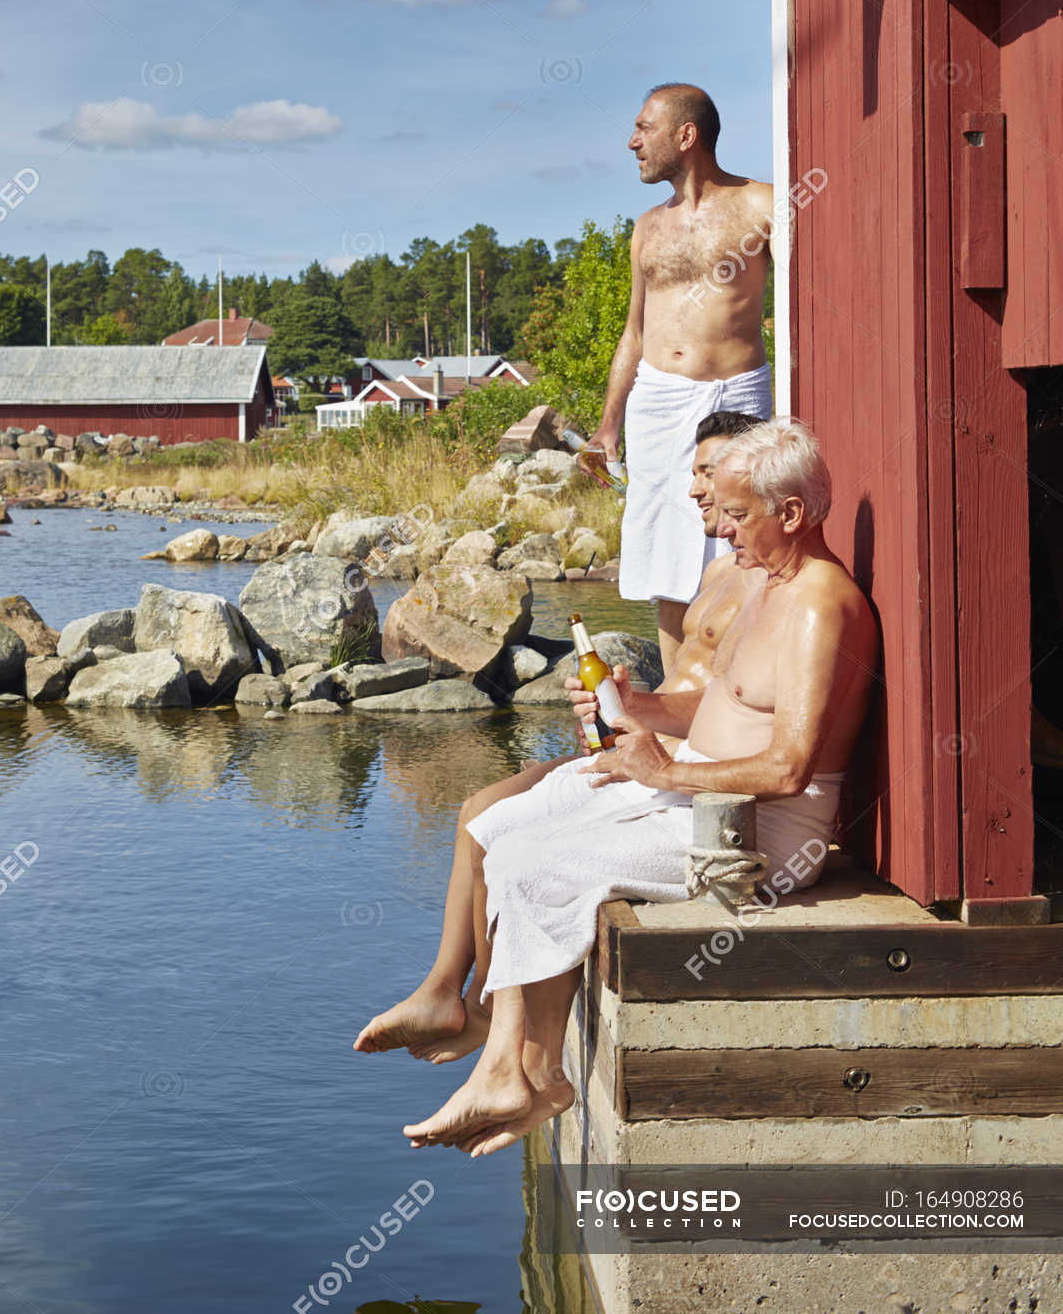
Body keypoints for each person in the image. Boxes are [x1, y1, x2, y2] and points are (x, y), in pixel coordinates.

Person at [400, 419, 877, 1157]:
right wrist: (634, 711)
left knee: (534, 863)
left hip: (760, 836)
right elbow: (727, 710)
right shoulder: (766, 584)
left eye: (738, 515)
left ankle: (521, 1069)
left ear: (791, 514)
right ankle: (522, 1068)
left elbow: (789, 769)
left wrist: (664, 771)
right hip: (699, 795)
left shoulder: (821, 606)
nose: (723, 533)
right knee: (503, 831)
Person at [353, 410, 766, 1065]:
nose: (694, 489)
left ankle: (488, 1016)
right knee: (473, 811)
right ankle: (443, 990)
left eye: (707, 472)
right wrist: (629, 708)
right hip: (653, 746)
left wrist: (648, 742)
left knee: (498, 827)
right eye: (693, 472)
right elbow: (697, 696)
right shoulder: (717, 576)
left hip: (684, 774)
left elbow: (738, 719)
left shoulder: (769, 591)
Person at [581, 83, 773, 667]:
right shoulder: (647, 227)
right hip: (658, 401)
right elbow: (634, 331)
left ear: (685, 136)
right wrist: (607, 426)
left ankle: (736, 687)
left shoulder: (763, 204)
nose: (631, 142)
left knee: (742, 536)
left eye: (644, 128)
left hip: (738, 394)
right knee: (666, 553)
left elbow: (806, 308)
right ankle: (676, 691)